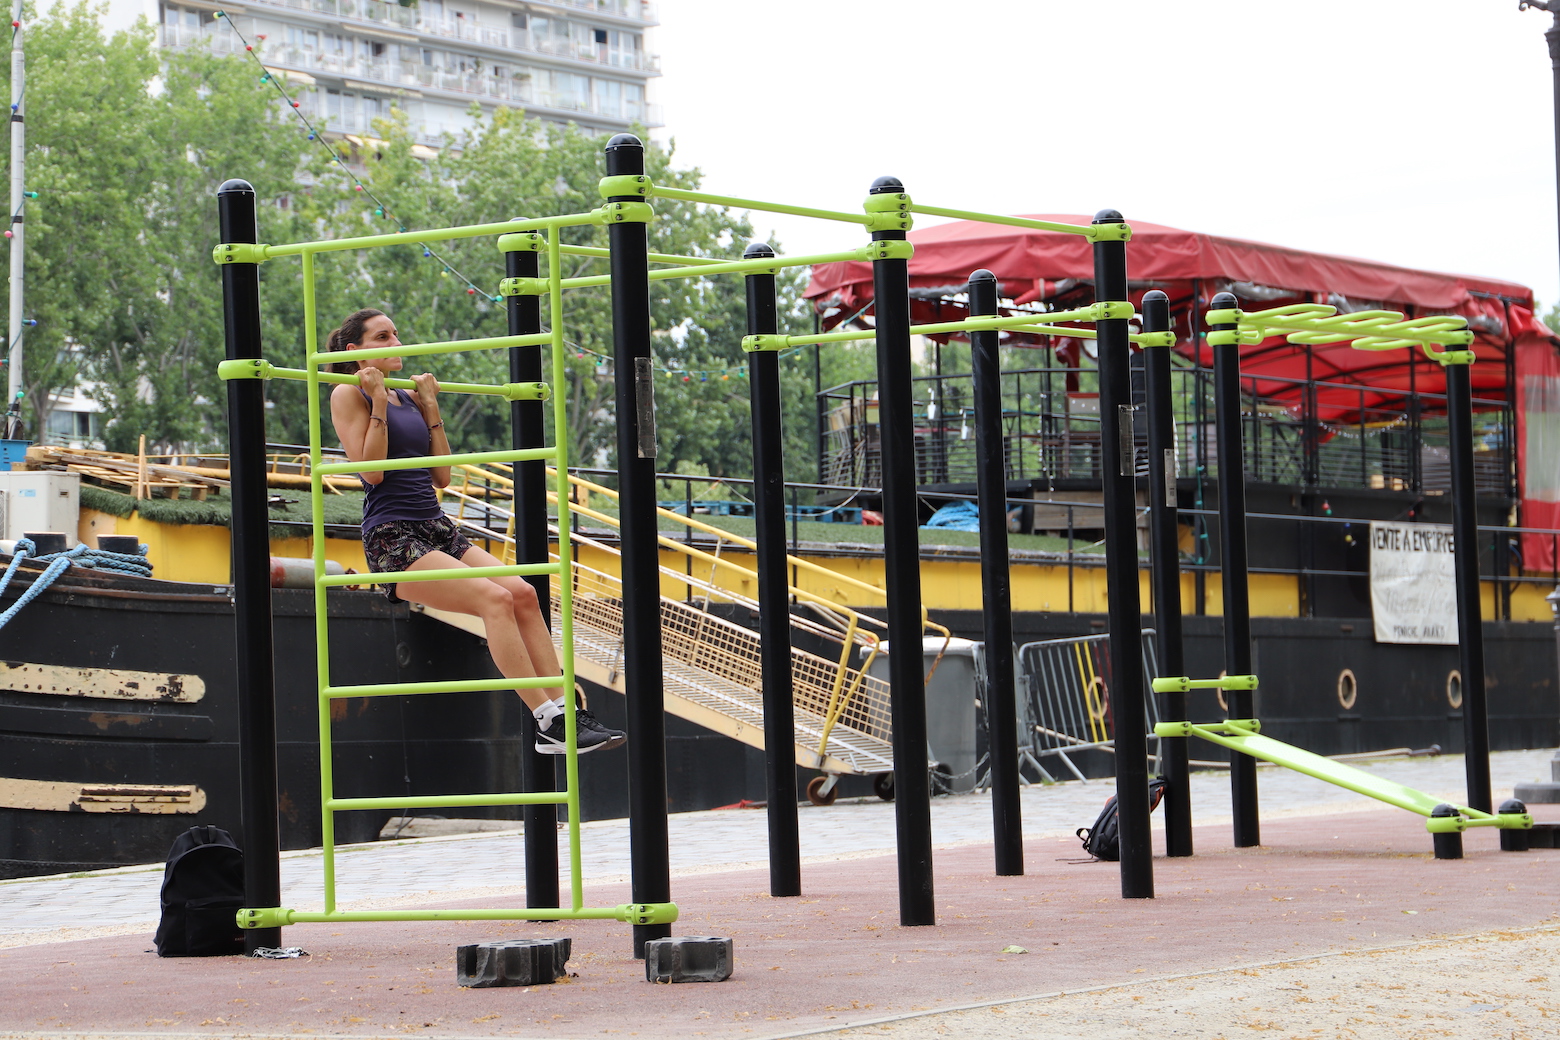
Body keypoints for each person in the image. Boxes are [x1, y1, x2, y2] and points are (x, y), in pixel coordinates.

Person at [326, 307, 624, 755]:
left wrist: (430, 406)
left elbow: (442, 476)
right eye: (382, 337)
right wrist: (379, 401)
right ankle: (545, 720)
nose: (396, 343)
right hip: (392, 535)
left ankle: (566, 714)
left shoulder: (407, 394)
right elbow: (373, 474)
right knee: (495, 599)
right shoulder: (349, 394)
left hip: (434, 523)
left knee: (522, 592)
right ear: (355, 350)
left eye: (397, 333)